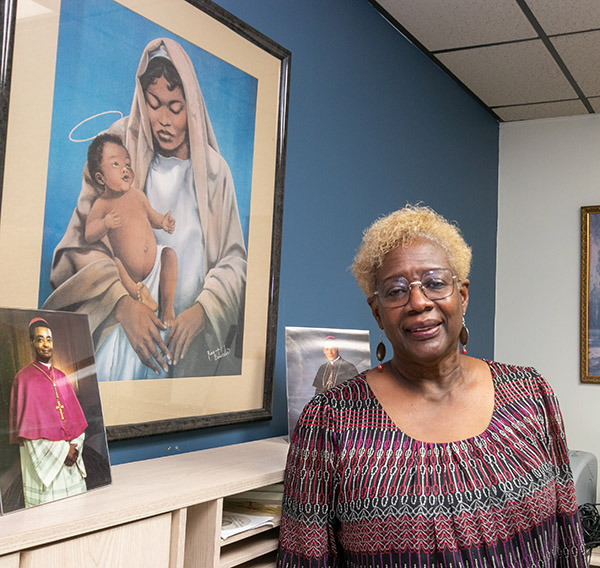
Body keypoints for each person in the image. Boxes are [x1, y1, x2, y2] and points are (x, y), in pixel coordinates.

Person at [277, 205, 586, 567]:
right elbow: (304, 559)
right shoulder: (330, 421)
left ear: (463, 295)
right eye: (396, 291)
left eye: (436, 283)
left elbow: (568, 540)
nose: (419, 302)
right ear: (377, 312)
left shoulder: (531, 395)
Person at [43, 38, 247, 381]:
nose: (163, 120)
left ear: (192, 107)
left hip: (188, 348)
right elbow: (81, 244)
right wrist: (123, 306)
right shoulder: (117, 146)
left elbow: (234, 261)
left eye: (175, 107)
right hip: (122, 332)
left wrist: (202, 311)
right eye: (153, 104)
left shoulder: (214, 171)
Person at [85, 133, 177, 325]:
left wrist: (163, 222)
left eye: (127, 164)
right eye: (116, 164)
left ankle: (167, 307)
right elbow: (89, 234)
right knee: (116, 263)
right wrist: (105, 224)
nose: (125, 169)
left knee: (169, 255)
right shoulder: (102, 204)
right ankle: (138, 294)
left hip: (154, 266)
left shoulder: (138, 195)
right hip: (130, 274)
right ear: (101, 178)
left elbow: (151, 216)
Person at [9, 318, 88, 507]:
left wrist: (74, 448)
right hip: (46, 469)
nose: (46, 344)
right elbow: (29, 434)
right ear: (32, 343)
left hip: (70, 461)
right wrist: (63, 452)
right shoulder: (23, 379)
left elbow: (78, 425)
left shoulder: (61, 376)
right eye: (40, 339)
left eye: (49, 339)